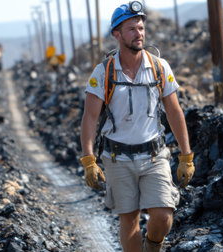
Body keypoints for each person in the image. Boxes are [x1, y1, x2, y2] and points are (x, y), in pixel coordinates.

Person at [79, 1, 195, 251]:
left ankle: (152, 247)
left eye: (141, 28)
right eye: (131, 29)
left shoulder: (159, 67)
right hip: (117, 158)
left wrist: (187, 156)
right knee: (129, 218)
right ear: (117, 34)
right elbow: (89, 117)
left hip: (154, 156)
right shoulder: (103, 72)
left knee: (163, 215)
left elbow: (174, 111)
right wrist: (89, 160)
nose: (139, 34)